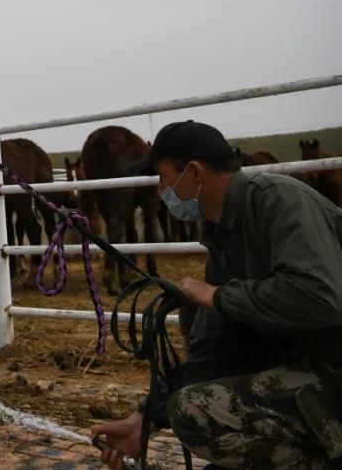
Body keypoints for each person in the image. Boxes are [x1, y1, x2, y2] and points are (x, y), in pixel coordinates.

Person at [90, 120, 342, 469]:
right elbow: (213, 347)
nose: (161, 190)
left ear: (193, 172)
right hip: (307, 368)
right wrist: (146, 420)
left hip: (333, 372)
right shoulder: (224, 232)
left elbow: (320, 298)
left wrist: (219, 296)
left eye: (163, 178)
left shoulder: (280, 201)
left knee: (194, 409)